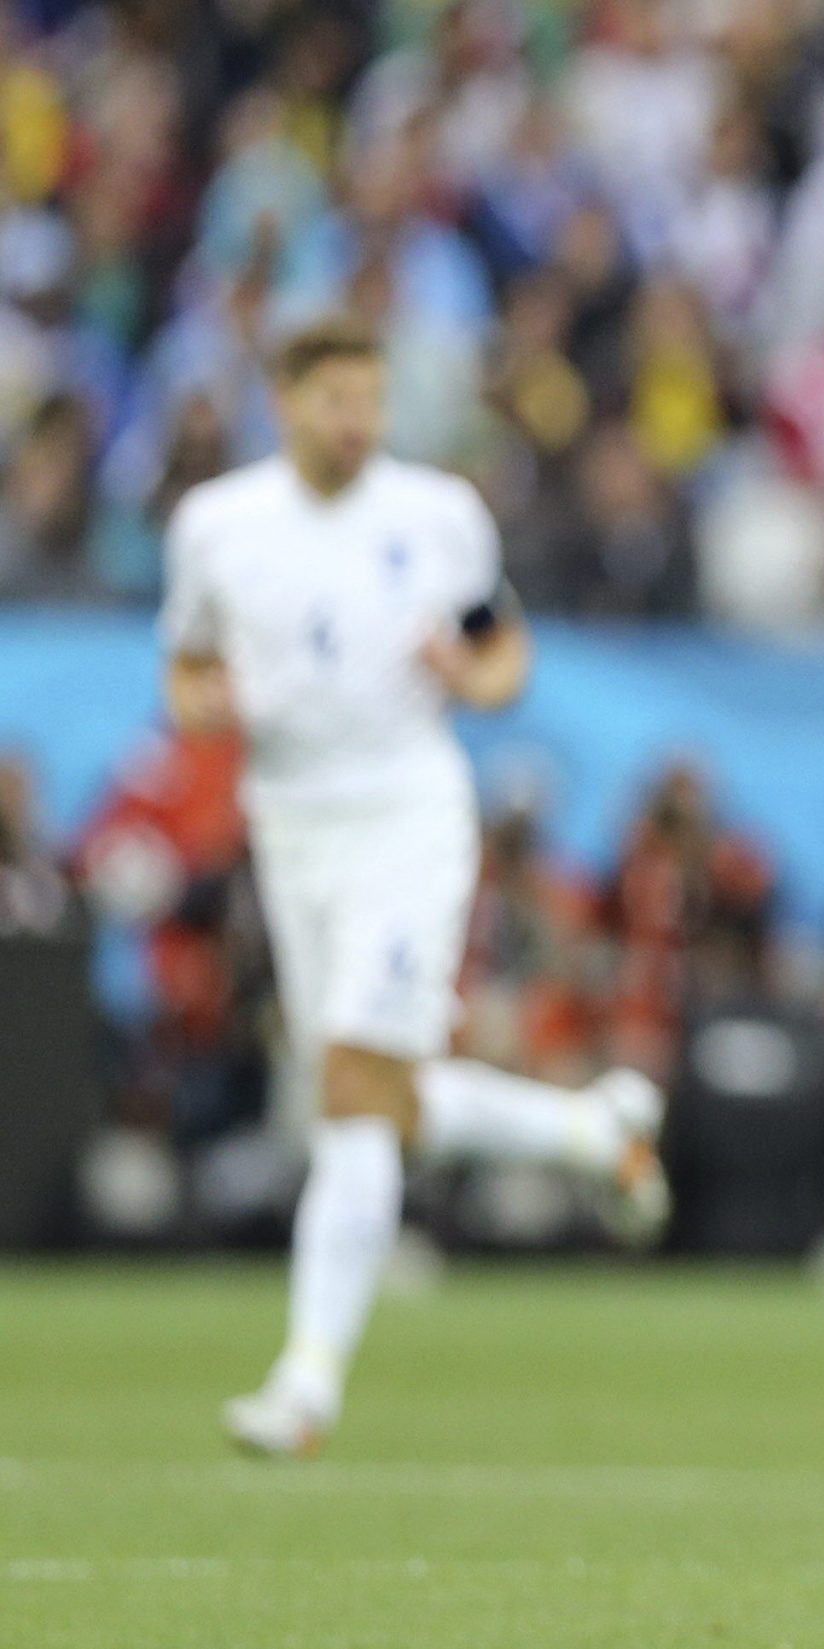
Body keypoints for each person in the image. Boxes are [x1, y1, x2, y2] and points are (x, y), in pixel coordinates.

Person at [159, 318, 670, 1460]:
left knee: (349, 1085)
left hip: (407, 814)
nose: (357, 421)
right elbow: (188, 663)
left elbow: (504, 651)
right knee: (372, 1092)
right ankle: (593, 1128)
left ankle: (306, 1384)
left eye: (371, 400)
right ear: (284, 399)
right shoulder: (217, 527)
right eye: (336, 398)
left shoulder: (436, 515)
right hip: (291, 824)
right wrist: (204, 706)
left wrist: (472, 679)